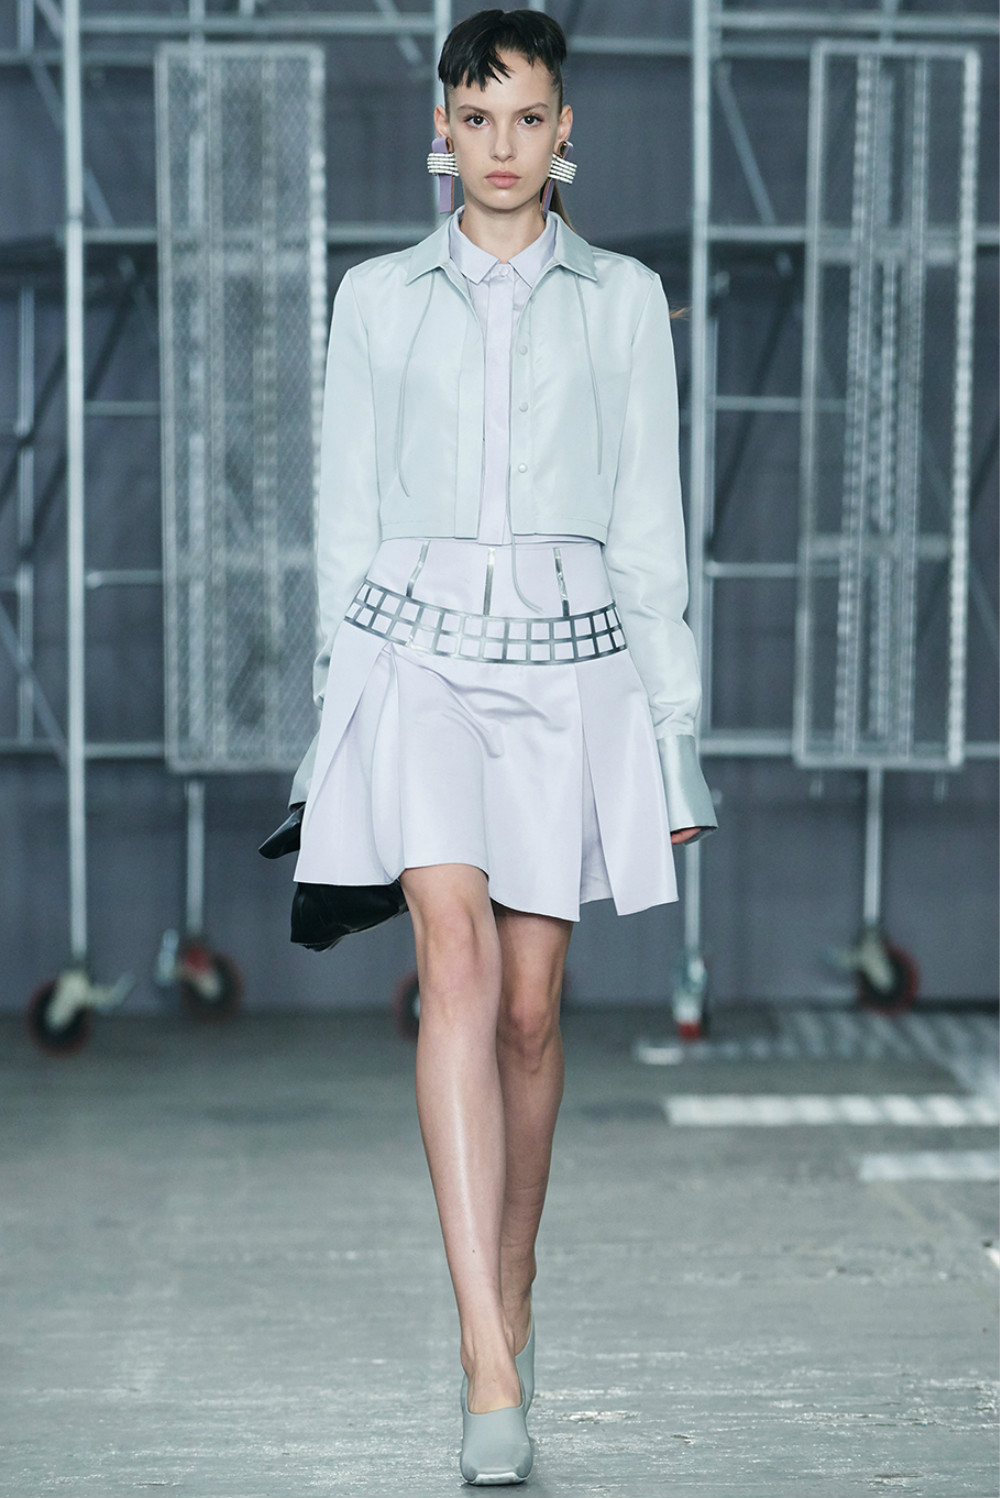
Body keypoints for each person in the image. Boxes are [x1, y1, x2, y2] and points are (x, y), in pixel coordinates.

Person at [290, 8, 717, 1484]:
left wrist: (674, 738)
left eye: (528, 118)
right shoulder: (374, 299)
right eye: (477, 119)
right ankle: (486, 1353)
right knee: (455, 969)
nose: (502, 146)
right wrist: (335, 711)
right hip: (413, 658)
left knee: (532, 1011)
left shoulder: (625, 300)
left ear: (564, 129)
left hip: (572, 662)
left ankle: (514, 1288)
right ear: (442, 129)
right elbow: (344, 520)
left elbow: (650, 533)